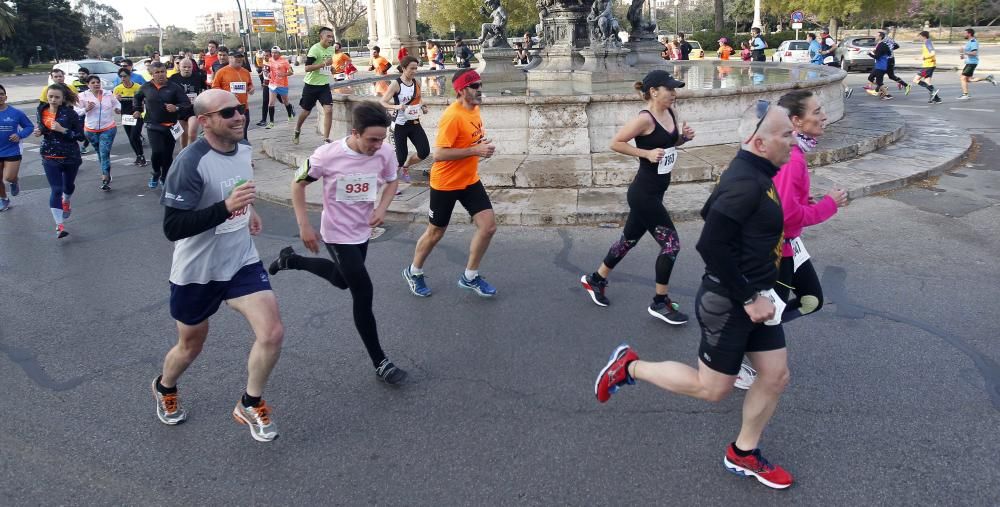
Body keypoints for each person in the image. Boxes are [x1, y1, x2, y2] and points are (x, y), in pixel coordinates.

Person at [595, 99, 797, 490]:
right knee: (713, 388)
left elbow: (710, 210)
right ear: (759, 142)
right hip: (730, 301)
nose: (794, 140)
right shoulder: (745, 182)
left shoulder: (754, 171)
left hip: (756, 295)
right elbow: (710, 243)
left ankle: (743, 452)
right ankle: (629, 366)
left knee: (775, 376)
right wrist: (748, 297)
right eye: (786, 134)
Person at [154, 89, 284, 442]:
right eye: (227, 113)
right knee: (191, 345)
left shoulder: (243, 148)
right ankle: (165, 386)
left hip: (240, 259)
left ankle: (249, 402)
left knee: (271, 332)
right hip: (197, 271)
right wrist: (227, 207)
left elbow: (237, 187)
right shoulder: (190, 163)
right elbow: (173, 228)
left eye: (239, 109)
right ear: (206, 121)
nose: (238, 116)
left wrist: (248, 210)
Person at [268, 101, 407, 385]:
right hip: (336, 232)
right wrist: (304, 225)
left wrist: (382, 208)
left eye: (382, 139)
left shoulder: (385, 152)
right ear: (354, 132)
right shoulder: (327, 155)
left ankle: (290, 260)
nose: (378, 145)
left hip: (362, 231)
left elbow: (392, 181)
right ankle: (380, 361)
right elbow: (298, 184)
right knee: (362, 291)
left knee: (344, 281)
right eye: (372, 139)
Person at [735, 90, 849, 390]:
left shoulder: (795, 154)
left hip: (791, 245)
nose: (824, 116)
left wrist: (803, 200)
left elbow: (782, 200)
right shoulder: (793, 158)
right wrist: (828, 205)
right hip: (779, 250)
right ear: (796, 121)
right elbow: (785, 218)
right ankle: (734, 351)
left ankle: (744, 336)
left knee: (812, 301)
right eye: (817, 111)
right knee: (772, 316)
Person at [581, 70, 695, 324]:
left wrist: (683, 139)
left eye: (675, 89)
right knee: (671, 244)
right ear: (654, 92)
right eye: (670, 89)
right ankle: (660, 302)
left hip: (656, 190)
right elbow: (616, 143)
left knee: (628, 240)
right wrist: (644, 154)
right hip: (643, 193)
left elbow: (669, 144)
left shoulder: (670, 113)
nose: (674, 94)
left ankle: (595, 279)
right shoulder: (645, 119)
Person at [402, 69, 498, 298]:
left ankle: (470, 277)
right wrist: (475, 150)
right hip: (445, 183)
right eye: (475, 86)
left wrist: (481, 145)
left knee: (488, 227)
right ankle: (413, 271)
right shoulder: (452, 116)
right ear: (462, 90)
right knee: (436, 232)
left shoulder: (474, 109)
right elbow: (439, 155)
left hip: (469, 180)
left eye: (480, 84)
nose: (479, 89)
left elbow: (471, 139)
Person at [34, 83, 84, 238]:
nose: (53, 100)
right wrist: (39, 131)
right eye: (50, 97)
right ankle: (59, 225)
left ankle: (66, 200)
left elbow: (81, 136)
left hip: (70, 156)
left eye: (57, 97)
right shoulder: (41, 110)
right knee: (56, 189)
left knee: (68, 186)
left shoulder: (70, 114)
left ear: (62, 99)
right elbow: (44, 128)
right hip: (49, 156)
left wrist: (63, 130)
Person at [135, 61, 191, 188]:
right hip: (153, 125)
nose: (160, 75)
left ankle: (165, 177)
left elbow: (186, 103)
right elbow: (137, 97)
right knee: (157, 151)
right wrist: (137, 109)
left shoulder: (174, 87)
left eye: (163, 72)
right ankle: (155, 172)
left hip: (171, 126)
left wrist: (176, 107)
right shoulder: (146, 87)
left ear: (166, 72)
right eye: (157, 72)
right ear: (151, 74)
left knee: (167, 155)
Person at [380, 55, 430, 184]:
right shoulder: (396, 84)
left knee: (424, 151)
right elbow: (383, 102)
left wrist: (423, 107)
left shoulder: (416, 82)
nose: (414, 71)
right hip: (399, 125)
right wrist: (397, 106)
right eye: (411, 68)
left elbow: (419, 99)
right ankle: (391, 183)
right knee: (400, 157)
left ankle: (406, 167)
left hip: (414, 123)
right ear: (403, 68)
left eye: (416, 68)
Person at [78, 75, 121, 191]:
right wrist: (86, 109)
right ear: (88, 85)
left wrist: (118, 109)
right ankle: (105, 171)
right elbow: (76, 112)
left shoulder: (108, 94)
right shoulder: (82, 96)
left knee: (104, 153)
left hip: (108, 128)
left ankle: (105, 178)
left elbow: (117, 103)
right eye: (93, 82)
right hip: (90, 130)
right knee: (99, 152)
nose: (96, 84)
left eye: (98, 82)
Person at [294, 27, 336, 145]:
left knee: (328, 110)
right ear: (321, 37)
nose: (331, 39)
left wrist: (331, 69)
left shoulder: (331, 49)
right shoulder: (315, 49)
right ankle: (297, 129)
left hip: (323, 86)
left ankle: (326, 139)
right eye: (328, 36)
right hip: (311, 85)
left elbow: (327, 65)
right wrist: (323, 64)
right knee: (306, 112)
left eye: (332, 37)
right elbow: (307, 68)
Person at [0, 84, 34, 212]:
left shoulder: (16, 113)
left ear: (6, 96)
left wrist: (19, 135)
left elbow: (29, 127)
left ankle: (14, 181)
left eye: (1, 94)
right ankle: (4, 199)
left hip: (12, 149)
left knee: (8, 177)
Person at [212, 51, 254, 140]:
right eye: (236, 57)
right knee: (231, 130)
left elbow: (250, 84)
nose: (239, 59)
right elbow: (215, 87)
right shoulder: (221, 72)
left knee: (244, 128)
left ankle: (243, 146)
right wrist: (227, 94)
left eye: (240, 57)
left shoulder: (245, 71)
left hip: (243, 106)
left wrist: (251, 88)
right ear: (230, 58)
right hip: (228, 106)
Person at [169, 58, 208, 148]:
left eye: (189, 67)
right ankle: (184, 152)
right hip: (180, 109)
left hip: (193, 109)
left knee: (192, 133)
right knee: (183, 134)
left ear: (192, 67)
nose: (187, 69)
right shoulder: (173, 78)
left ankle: (190, 152)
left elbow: (206, 89)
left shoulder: (198, 77)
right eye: (184, 67)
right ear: (179, 67)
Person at [114, 68, 146, 167]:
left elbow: (144, 101)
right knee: (131, 138)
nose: (123, 78)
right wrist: (117, 104)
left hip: (137, 115)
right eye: (121, 76)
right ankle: (139, 156)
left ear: (130, 76)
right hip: (126, 116)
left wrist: (141, 111)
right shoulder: (117, 89)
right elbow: (115, 105)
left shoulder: (138, 87)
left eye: (125, 76)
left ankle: (141, 156)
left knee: (134, 136)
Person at [958, 28, 996, 100]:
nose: (964, 34)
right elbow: (965, 55)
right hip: (969, 62)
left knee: (962, 78)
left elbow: (974, 53)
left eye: (965, 33)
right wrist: (961, 54)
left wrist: (964, 52)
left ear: (969, 34)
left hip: (972, 63)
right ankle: (988, 78)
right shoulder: (969, 42)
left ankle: (965, 94)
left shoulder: (973, 42)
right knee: (969, 79)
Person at [265, 46, 295, 128]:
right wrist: (268, 74)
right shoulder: (270, 60)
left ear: (279, 53)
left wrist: (284, 74)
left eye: (276, 53)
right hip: (273, 84)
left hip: (282, 85)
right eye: (272, 53)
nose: (274, 54)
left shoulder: (284, 61)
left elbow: (291, 72)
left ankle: (289, 115)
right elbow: (269, 70)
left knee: (285, 102)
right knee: (271, 103)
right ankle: (271, 122)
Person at [914, 31, 942, 104]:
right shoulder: (927, 42)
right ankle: (937, 99)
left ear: (924, 36)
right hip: (930, 65)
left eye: (920, 36)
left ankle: (933, 91)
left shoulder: (927, 42)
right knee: (927, 82)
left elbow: (933, 53)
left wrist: (923, 57)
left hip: (928, 66)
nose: (919, 38)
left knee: (916, 79)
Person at [868, 31, 894, 100]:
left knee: (879, 82)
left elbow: (877, 57)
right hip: (879, 65)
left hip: (880, 66)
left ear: (880, 37)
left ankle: (887, 95)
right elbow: (889, 53)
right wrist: (877, 52)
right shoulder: (884, 45)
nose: (875, 37)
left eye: (876, 36)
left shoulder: (881, 45)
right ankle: (883, 87)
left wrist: (870, 54)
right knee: (870, 78)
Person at [254, 51, 271, 128]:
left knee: (282, 100)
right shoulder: (264, 62)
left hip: (274, 84)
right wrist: (260, 74)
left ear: (270, 56)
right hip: (266, 84)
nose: (265, 57)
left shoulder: (273, 63)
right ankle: (263, 120)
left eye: (267, 55)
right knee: (265, 101)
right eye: (264, 55)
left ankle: (290, 109)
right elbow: (264, 70)